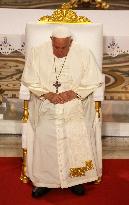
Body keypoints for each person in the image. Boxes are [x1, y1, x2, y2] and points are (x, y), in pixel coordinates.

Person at [21, 26, 103, 197]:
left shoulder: (83, 53)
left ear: (70, 43)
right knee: (45, 133)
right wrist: (48, 94)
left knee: (75, 129)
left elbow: (94, 79)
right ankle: (44, 181)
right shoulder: (37, 53)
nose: (59, 51)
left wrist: (73, 92)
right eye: (55, 47)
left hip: (74, 104)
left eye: (63, 47)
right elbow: (29, 79)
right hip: (46, 104)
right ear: (51, 41)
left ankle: (76, 179)